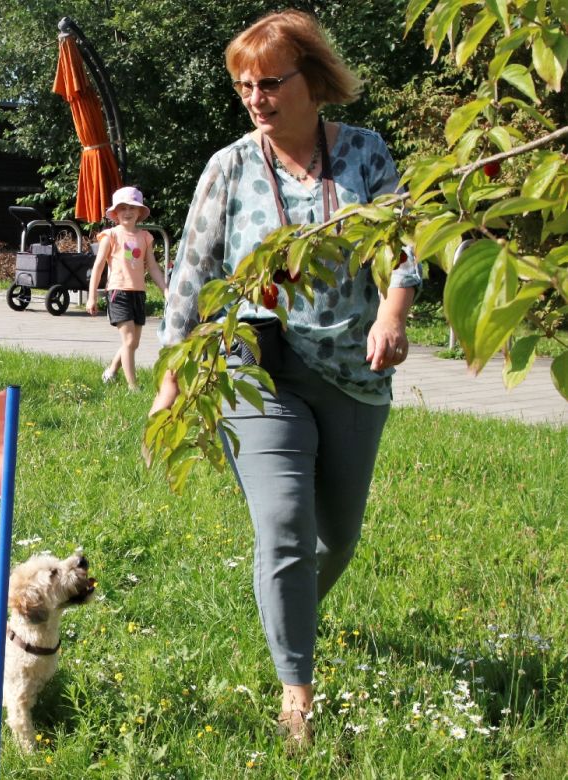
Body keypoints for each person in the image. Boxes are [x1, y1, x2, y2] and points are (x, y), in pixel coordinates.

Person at [149, 10, 422, 748]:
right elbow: (191, 276)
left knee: (337, 540)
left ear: (313, 79)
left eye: (271, 82)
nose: (257, 97)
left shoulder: (364, 153)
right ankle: (296, 693)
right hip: (253, 370)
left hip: (352, 370)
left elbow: (403, 248)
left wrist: (392, 313)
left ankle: (289, 606)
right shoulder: (231, 166)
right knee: (284, 524)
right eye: (245, 86)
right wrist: (172, 377)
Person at [86, 186, 166, 390]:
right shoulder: (111, 235)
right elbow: (98, 266)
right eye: (122, 208)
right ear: (115, 213)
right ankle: (133, 387)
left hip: (138, 293)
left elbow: (153, 267)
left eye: (132, 207)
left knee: (133, 343)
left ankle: (111, 372)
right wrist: (92, 296)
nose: (127, 212)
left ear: (140, 211)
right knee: (129, 340)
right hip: (118, 292)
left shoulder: (145, 237)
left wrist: (166, 290)